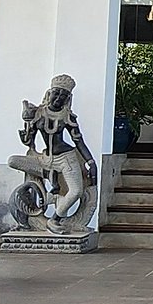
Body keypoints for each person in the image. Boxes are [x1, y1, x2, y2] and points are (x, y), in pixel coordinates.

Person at [13, 74, 97, 233]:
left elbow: (79, 142)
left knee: (76, 191)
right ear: (49, 93)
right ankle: (49, 174)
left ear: (68, 98)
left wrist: (91, 162)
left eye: (63, 95)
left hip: (66, 158)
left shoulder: (68, 117)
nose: (58, 98)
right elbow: (29, 141)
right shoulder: (38, 113)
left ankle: (55, 219)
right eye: (56, 93)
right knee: (12, 161)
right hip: (45, 159)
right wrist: (27, 123)